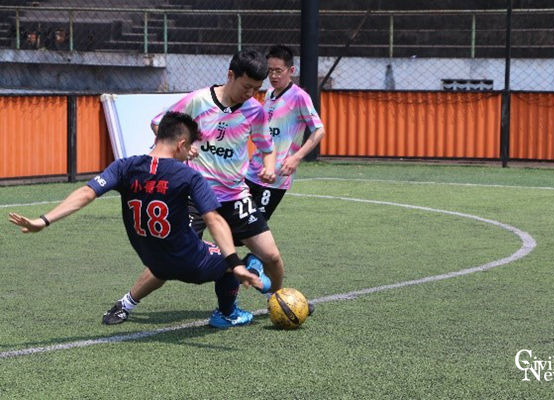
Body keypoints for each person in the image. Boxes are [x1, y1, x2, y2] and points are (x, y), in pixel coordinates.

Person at [8, 111, 270, 329]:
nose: (191, 153)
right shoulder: (189, 176)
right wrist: (234, 263)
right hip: (190, 262)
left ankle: (126, 303)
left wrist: (43, 220)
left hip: (153, 260)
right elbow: (214, 219)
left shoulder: (124, 167)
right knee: (236, 262)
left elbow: (86, 193)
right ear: (181, 144)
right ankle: (227, 313)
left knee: (175, 256)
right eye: (190, 147)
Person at [122, 49, 285, 316]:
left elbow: (267, 148)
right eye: (246, 86)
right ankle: (126, 303)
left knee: (272, 256)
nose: (250, 94)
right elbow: (158, 124)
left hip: (234, 196)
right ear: (230, 75)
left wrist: (269, 167)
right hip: (193, 196)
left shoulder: (255, 111)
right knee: (169, 260)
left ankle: (278, 302)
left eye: (256, 89)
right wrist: (182, 145)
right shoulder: (198, 101)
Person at [246, 44, 325, 220]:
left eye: (278, 71)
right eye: (270, 71)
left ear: (291, 70)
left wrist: (296, 158)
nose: (273, 76)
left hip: (277, 175)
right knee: (238, 220)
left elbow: (319, 130)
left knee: (254, 224)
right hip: (254, 169)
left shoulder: (299, 97)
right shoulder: (269, 94)